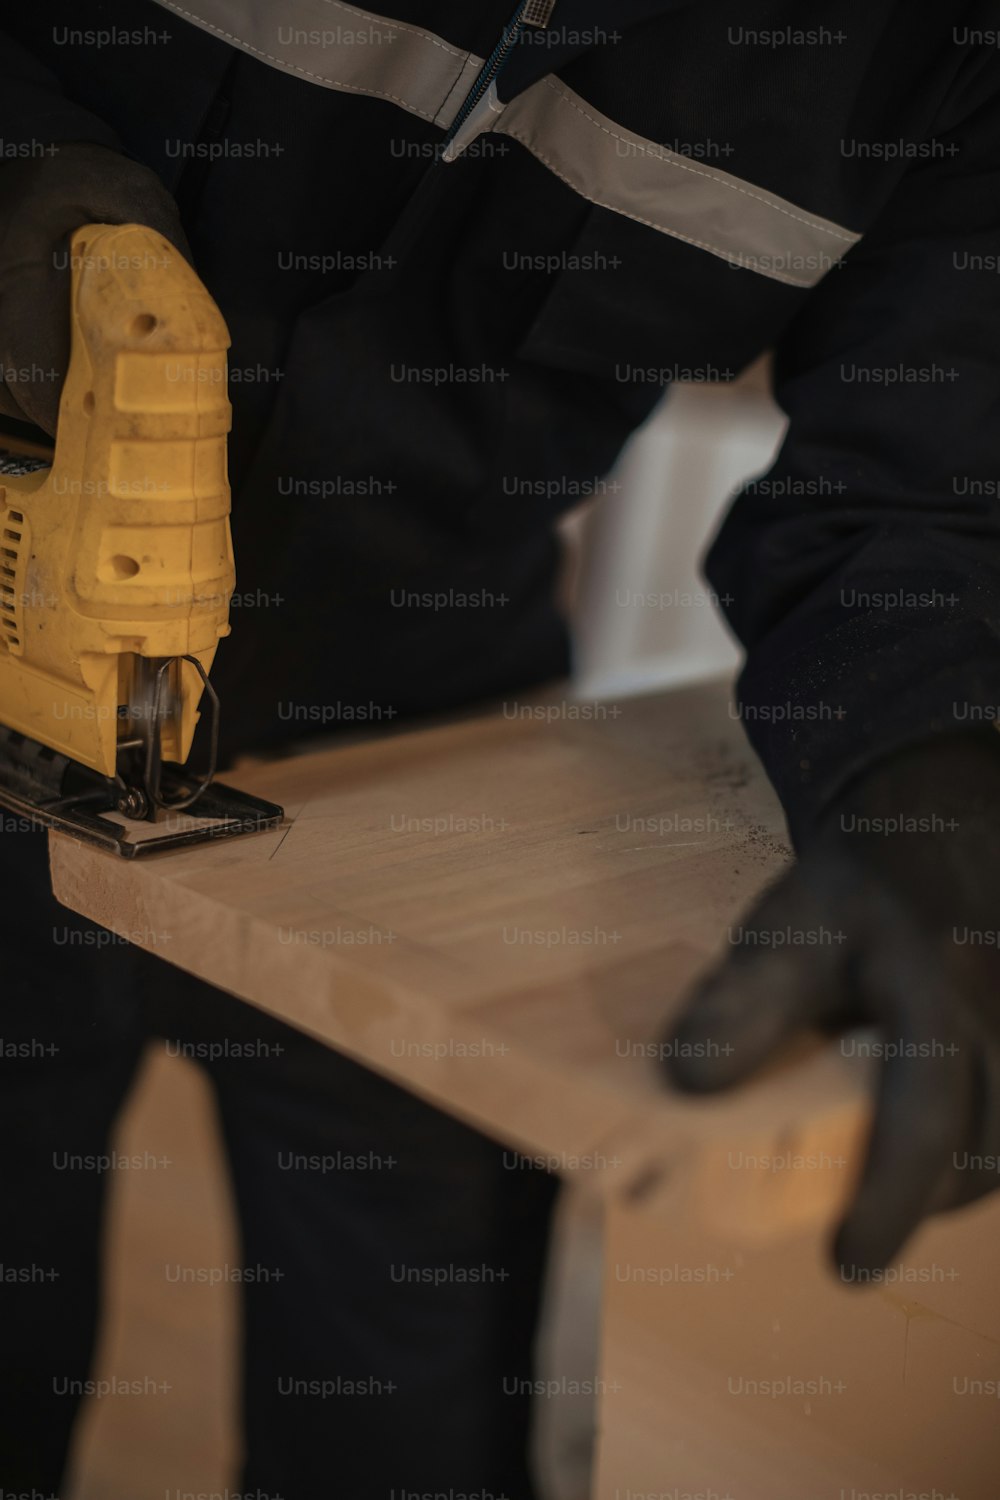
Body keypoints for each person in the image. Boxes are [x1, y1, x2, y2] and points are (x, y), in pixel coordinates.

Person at [2, 2, 1000, 1494]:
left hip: (421, 733)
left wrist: (934, 749)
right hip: (17, 611)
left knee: (409, 1425)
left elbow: (935, 482)